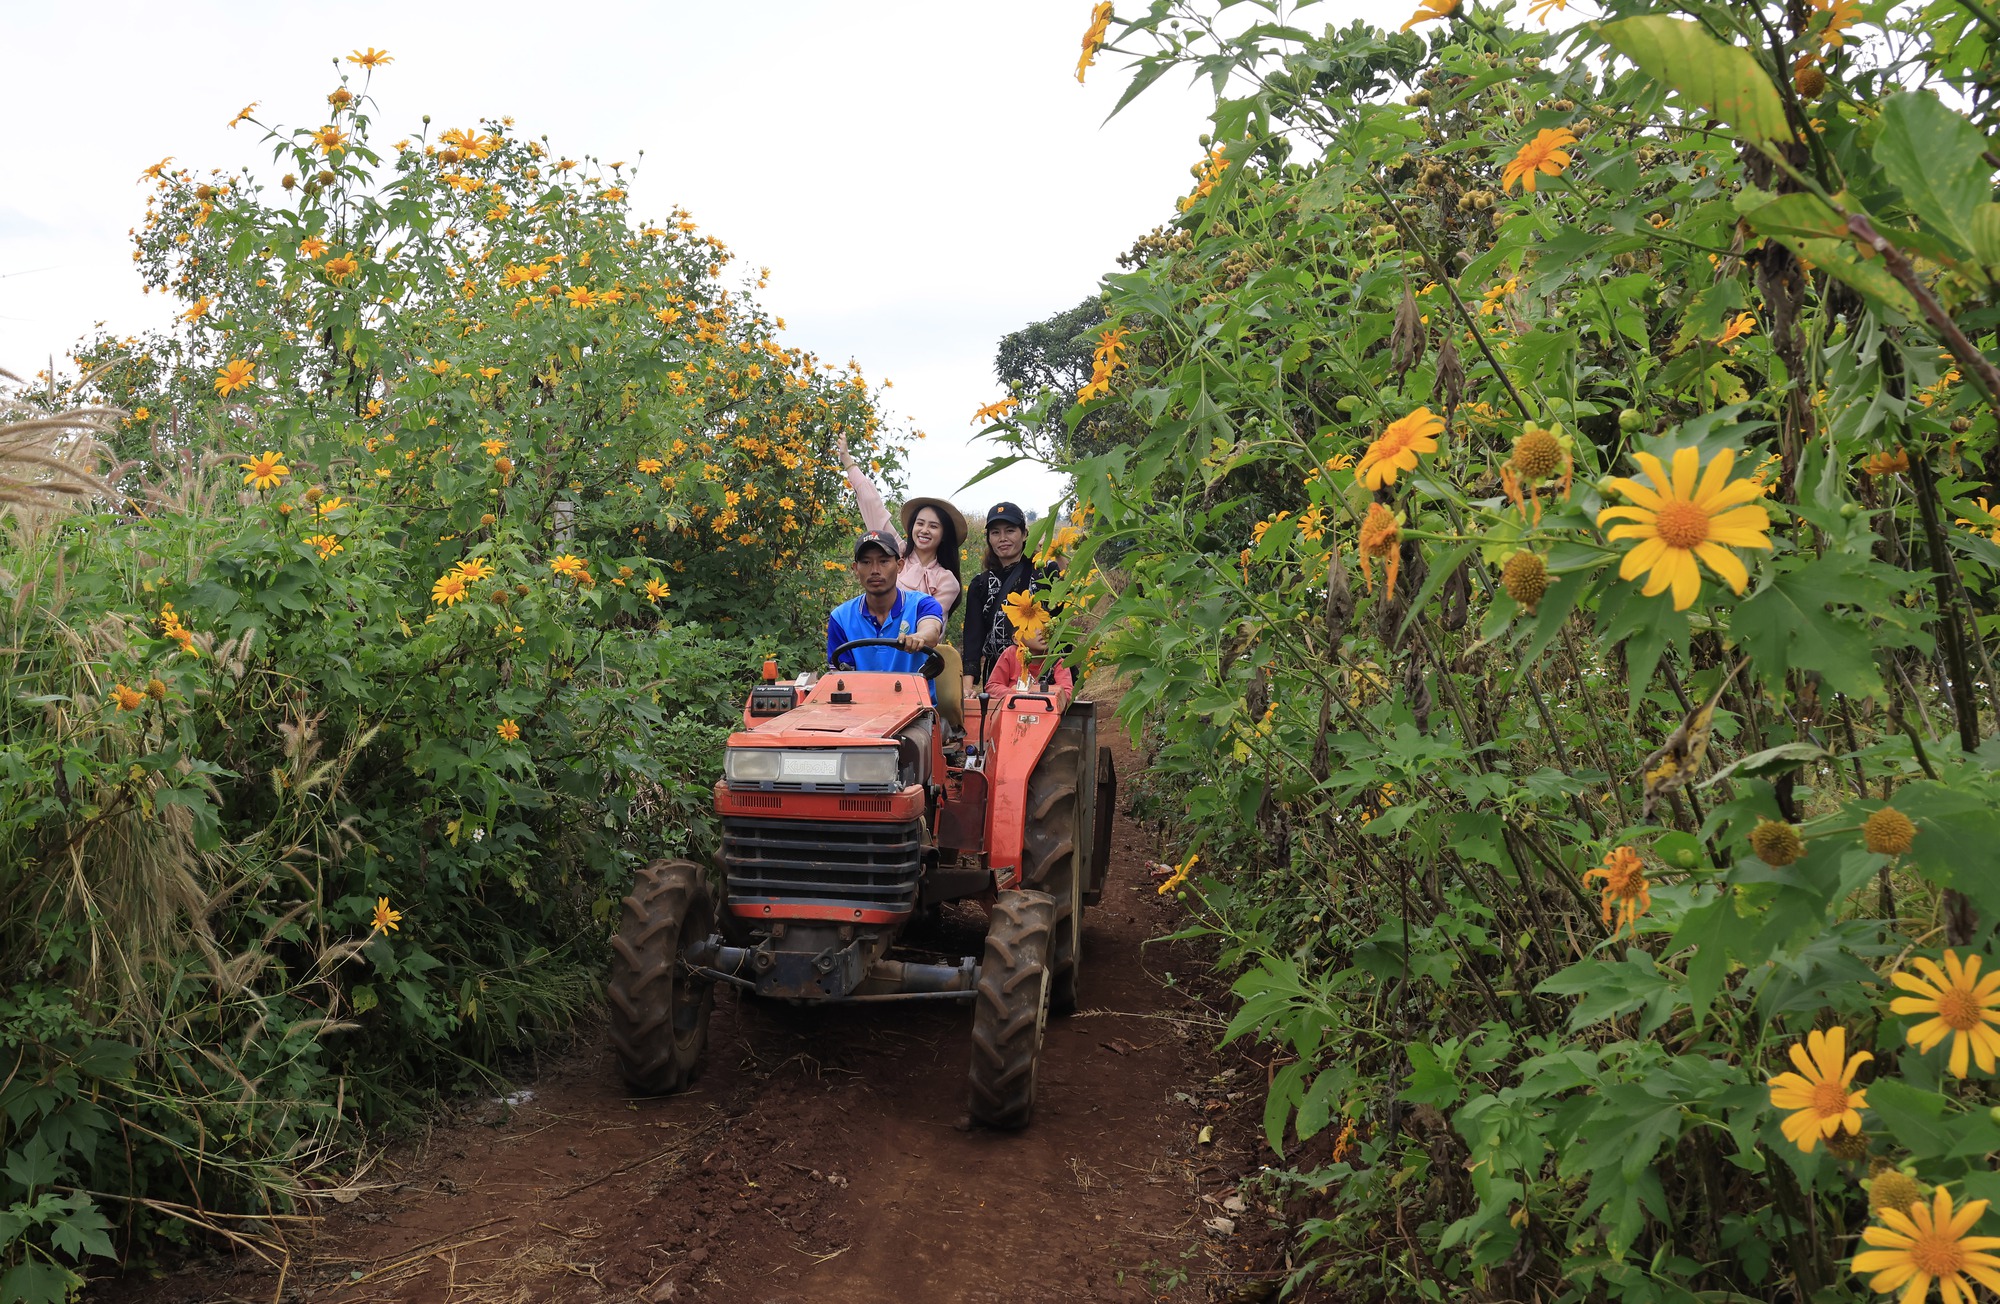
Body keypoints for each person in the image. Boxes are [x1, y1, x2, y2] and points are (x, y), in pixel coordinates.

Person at [825, 530, 946, 699]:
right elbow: (841, 680)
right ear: (855, 569)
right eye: (866, 562)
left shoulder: (923, 604)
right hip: (860, 713)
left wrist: (919, 638)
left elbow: (931, 632)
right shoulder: (840, 618)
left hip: (915, 713)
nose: (875, 570)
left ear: (899, 565)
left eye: (883, 561)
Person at [960, 501, 1062, 697]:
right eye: (995, 532)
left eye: (1010, 531)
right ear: (988, 538)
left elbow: (1064, 611)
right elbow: (973, 638)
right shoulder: (981, 584)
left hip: (1044, 672)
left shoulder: (1045, 571)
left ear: (1024, 534)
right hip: (1000, 679)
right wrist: (967, 688)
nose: (1003, 538)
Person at [984, 639, 1074, 697]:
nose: (1042, 632)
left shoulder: (1057, 662)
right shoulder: (1011, 654)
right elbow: (992, 687)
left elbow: (1066, 694)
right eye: (1034, 627)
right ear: (1016, 638)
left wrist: (1029, 692)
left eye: (1045, 626)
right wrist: (1013, 693)